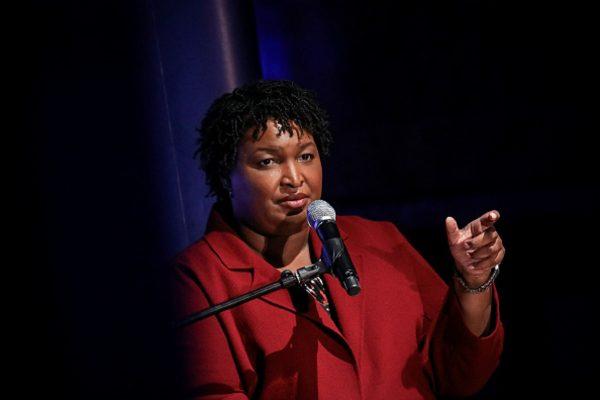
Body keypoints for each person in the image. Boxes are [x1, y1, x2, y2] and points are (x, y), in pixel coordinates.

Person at [171, 80, 505, 399]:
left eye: (305, 156)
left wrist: (473, 282)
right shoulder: (198, 279)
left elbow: (459, 373)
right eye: (268, 161)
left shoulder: (378, 241)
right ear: (225, 176)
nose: (295, 178)